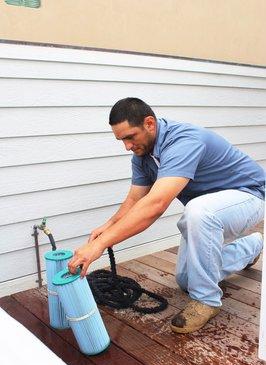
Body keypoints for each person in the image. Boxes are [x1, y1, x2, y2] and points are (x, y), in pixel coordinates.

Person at [68, 97, 265, 333]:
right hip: (209, 211)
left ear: (149, 124)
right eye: (121, 140)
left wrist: (100, 245)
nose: (127, 146)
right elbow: (135, 200)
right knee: (187, 281)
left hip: (250, 195)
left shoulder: (184, 141)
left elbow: (156, 204)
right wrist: (107, 227)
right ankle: (251, 246)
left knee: (197, 211)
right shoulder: (142, 157)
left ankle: (207, 301)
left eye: (130, 137)